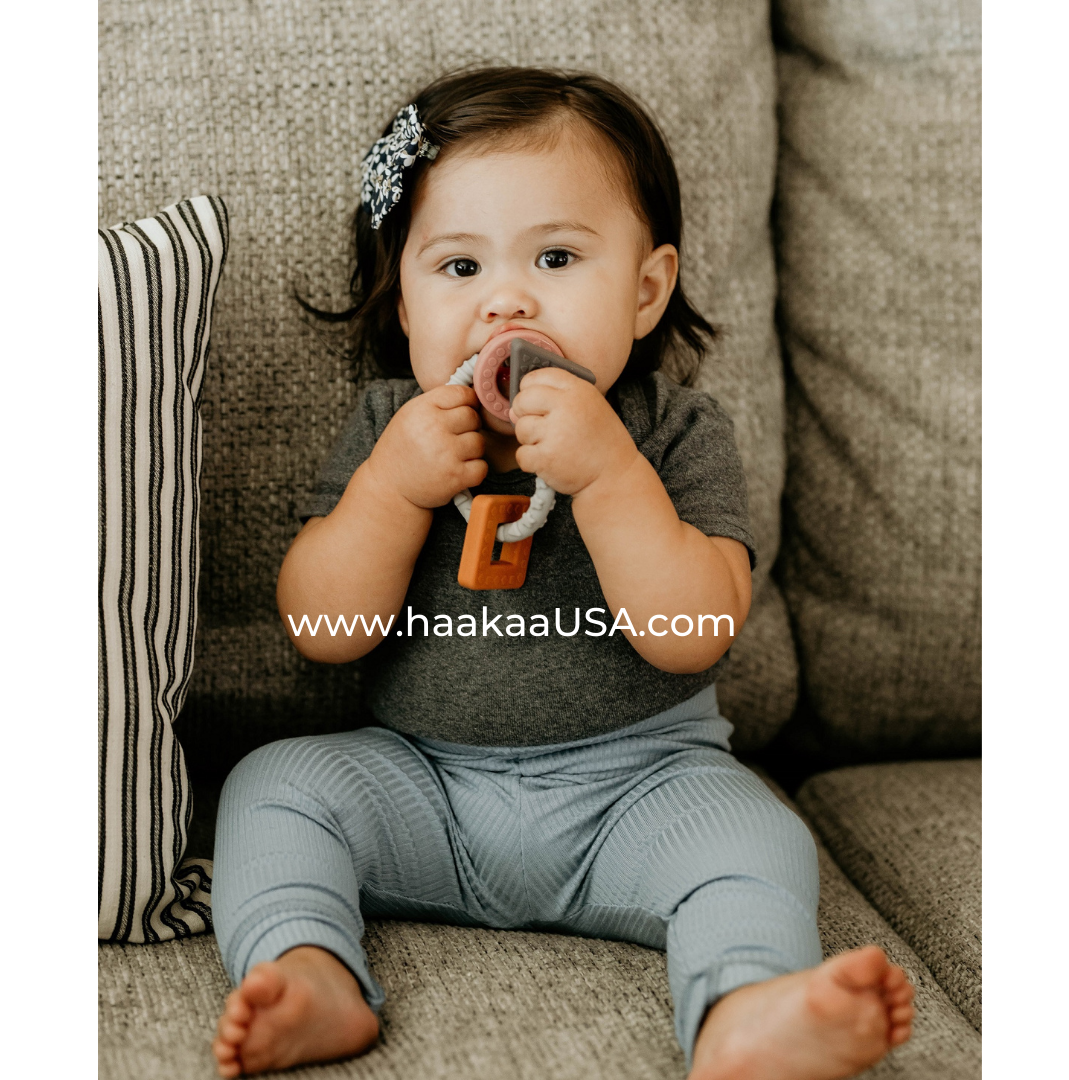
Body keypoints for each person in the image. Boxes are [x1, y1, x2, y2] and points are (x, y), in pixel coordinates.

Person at [210, 67, 915, 1080]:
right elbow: (324, 633)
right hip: (427, 788)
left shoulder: (672, 433)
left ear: (645, 290)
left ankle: (744, 1012)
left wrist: (610, 476)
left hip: (644, 790)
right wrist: (390, 493)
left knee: (757, 837)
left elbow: (692, 636)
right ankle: (308, 970)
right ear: (403, 303)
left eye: (555, 256)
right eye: (459, 266)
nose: (507, 298)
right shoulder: (391, 432)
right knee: (275, 785)